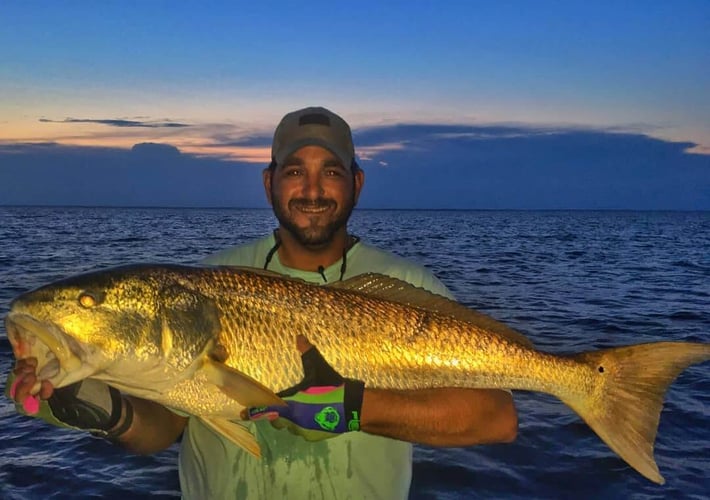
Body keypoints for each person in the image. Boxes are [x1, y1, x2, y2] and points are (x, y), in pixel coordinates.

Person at [10, 106, 517, 499]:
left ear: (356, 183)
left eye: (332, 172)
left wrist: (356, 408)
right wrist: (105, 409)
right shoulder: (213, 279)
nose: (312, 190)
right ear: (269, 182)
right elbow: (164, 427)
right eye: (295, 171)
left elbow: (496, 417)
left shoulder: (408, 286)